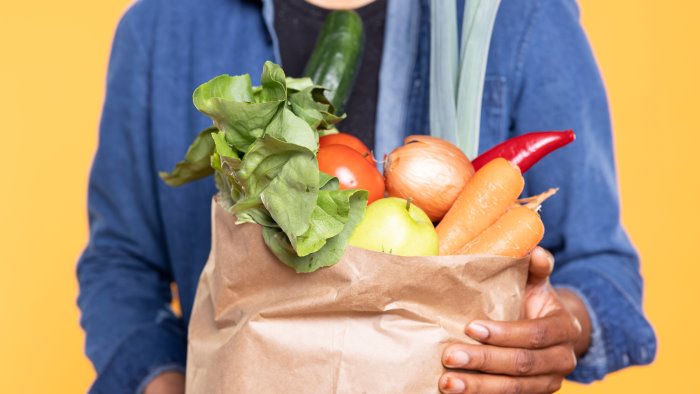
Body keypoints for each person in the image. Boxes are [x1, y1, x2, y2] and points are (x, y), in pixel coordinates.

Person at [77, 0, 656, 392]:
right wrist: (166, 383)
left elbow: (604, 272)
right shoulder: (163, 23)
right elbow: (120, 265)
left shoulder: (516, 14)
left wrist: (559, 334)